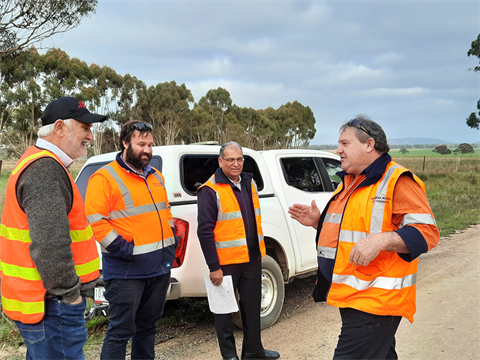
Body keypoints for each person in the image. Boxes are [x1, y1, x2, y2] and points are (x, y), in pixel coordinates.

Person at [288, 115, 440, 360]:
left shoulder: (397, 180)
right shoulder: (349, 182)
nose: (338, 150)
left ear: (369, 144)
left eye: (344, 144)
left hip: (376, 299)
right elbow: (351, 230)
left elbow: (427, 232)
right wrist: (318, 221)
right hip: (352, 295)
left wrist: (381, 241)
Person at [0, 96, 104, 359]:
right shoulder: (45, 169)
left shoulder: (43, 163)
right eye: (85, 127)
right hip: (52, 304)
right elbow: (49, 245)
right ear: (59, 128)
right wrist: (70, 296)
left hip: (44, 302)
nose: (90, 136)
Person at [84, 120, 178, 360]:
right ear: (125, 143)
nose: (147, 150)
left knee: (148, 328)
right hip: (126, 272)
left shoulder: (156, 176)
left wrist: (171, 241)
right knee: (121, 331)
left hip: (158, 269)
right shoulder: (104, 178)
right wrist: (124, 249)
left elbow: (165, 211)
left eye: (150, 144)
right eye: (141, 144)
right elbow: (96, 221)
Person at [197, 141, 280, 360]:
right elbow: (204, 231)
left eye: (240, 159)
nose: (236, 164)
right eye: (231, 159)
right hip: (225, 264)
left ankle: (254, 351)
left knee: (252, 309)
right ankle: (230, 357)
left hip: (251, 258)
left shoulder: (249, 182)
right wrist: (214, 267)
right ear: (220, 161)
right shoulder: (209, 189)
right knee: (223, 313)